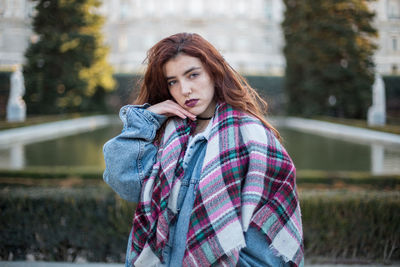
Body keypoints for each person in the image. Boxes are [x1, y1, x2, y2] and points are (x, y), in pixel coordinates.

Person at [103, 33, 304, 267]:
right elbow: (124, 180)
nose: (185, 89)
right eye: (173, 81)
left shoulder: (252, 137)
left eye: (193, 75)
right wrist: (147, 118)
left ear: (213, 72)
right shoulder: (169, 134)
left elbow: (265, 248)